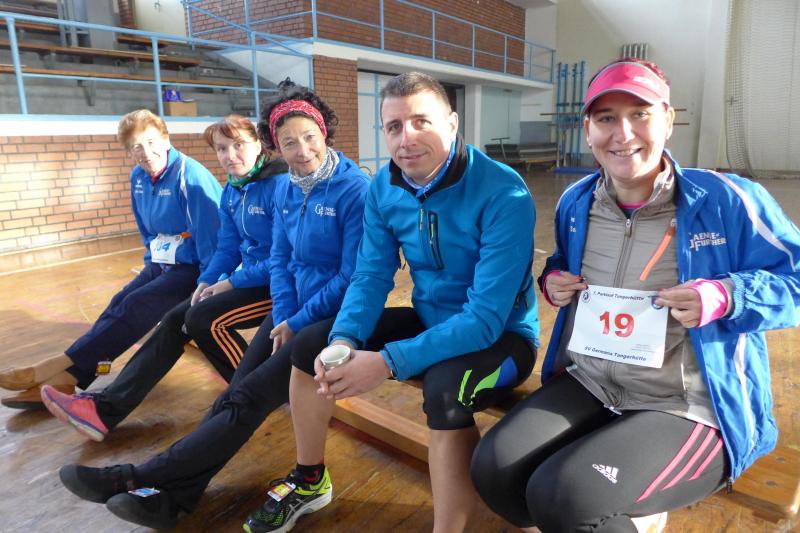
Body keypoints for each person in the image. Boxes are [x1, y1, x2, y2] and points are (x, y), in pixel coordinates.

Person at [470, 58, 800, 533]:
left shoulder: (727, 199)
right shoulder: (576, 202)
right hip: (594, 381)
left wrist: (727, 296)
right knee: (494, 470)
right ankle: (617, 501)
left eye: (640, 114)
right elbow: (563, 262)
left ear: (667, 120)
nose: (622, 133)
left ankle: (622, 502)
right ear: (588, 130)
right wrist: (554, 280)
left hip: (689, 403)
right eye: (606, 118)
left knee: (565, 496)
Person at [56, 86, 370, 530]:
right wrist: (282, 314)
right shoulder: (288, 188)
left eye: (309, 138)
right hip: (292, 312)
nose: (302, 151)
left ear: (324, 134)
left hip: (332, 319)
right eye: (289, 142)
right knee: (235, 396)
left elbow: (351, 277)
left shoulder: (354, 190)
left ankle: (135, 477)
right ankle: (174, 498)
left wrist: (296, 320)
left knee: (244, 398)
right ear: (276, 147)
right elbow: (281, 260)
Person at [241, 71, 539, 533]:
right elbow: (370, 275)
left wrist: (385, 362)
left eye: (421, 122)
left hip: (503, 338)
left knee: (445, 389)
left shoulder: (504, 191)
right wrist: (344, 339)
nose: (407, 138)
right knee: (310, 344)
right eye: (394, 126)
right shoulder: (384, 186)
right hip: (430, 319)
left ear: (453, 123)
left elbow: (483, 320)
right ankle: (310, 480)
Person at [39, 114, 288, 441]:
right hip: (250, 280)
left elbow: (281, 259)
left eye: (239, 145)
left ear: (258, 145)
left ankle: (254, 390)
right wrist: (207, 280)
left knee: (203, 320)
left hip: (281, 285)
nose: (230, 155)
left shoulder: (279, 186)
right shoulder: (232, 189)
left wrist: (229, 283)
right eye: (222, 149)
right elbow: (227, 249)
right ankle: (103, 411)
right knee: (174, 320)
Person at [0, 109, 222, 409]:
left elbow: (212, 240)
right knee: (119, 302)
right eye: (137, 146)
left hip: (197, 267)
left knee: (136, 304)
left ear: (166, 139)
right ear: (129, 152)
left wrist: (207, 286)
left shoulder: (191, 177)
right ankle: (69, 377)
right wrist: (152, 265)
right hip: (163, 262)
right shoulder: (138, 177)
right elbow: (147, 230)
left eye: (152, 142)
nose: (146, 152)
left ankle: (54, 367)